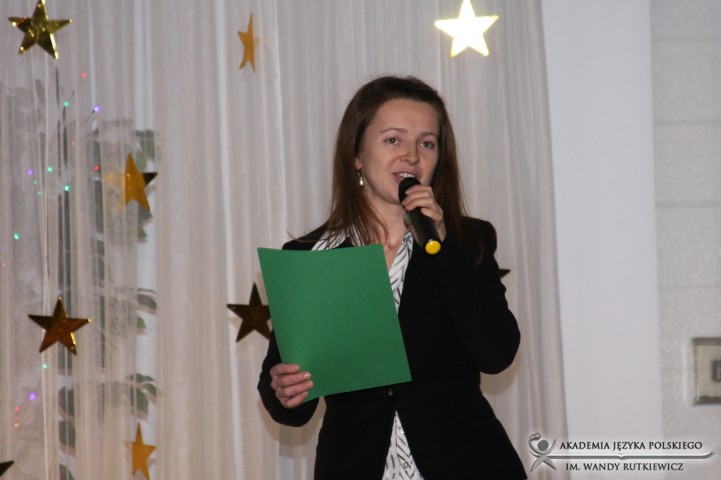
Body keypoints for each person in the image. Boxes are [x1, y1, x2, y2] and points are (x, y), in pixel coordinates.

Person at [258, 75, 526, 479]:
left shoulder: (467, 241)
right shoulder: (311, 256)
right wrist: (285, 391)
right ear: (357, 155)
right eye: (393, 140)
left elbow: (496, 353)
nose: (412, 156)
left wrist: (439, 249)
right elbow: (289, 400)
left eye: (427, 143)